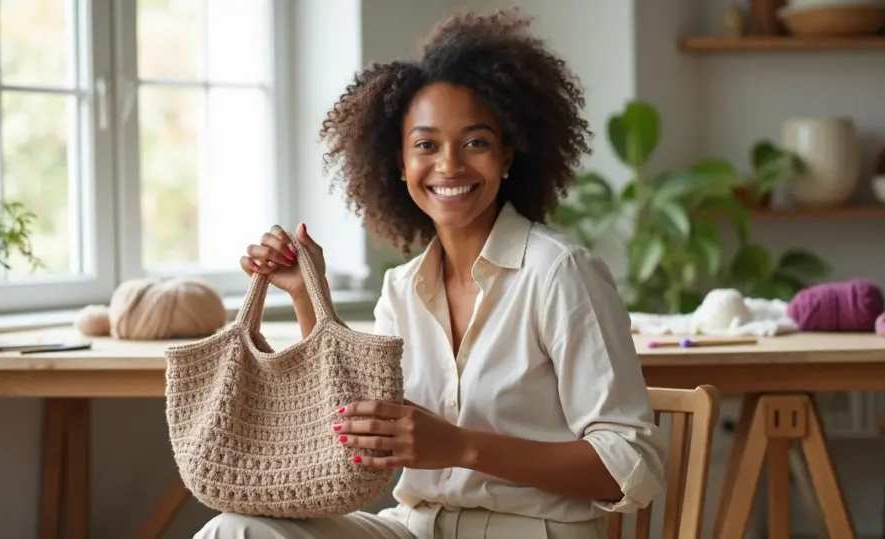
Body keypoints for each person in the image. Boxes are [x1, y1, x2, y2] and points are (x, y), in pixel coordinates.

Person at [196, 8, 666, 539]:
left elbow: (633, 466)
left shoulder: (560, 274)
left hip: (532, 529)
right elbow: (355, 425)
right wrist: (312, 299)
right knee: (234, 531)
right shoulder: (402, 289)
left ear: (508, 154)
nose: (449, 165)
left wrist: (460, 445)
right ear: (397, 162)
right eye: (425, 145)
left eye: (476, 142)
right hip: (413, 527)